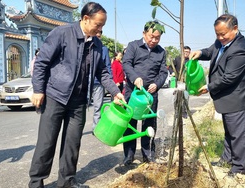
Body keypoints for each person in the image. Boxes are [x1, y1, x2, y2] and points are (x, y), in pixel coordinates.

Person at [29, 2, 125, 188]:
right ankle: (36, 182)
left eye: (102, 25)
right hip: (55, 96)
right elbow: (41, 62)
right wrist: (39, 90)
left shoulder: (97, 44)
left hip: (79, 100)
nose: (100, 29)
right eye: (98, 24)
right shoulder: (62, 34)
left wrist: (115, 92)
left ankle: (67, 181)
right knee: (47, 142)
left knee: (72, 143)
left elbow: (103, 72)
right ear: (86, 19)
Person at [190, 14, 245, 180]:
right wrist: (199, 53)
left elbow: (229, 77)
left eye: (224, 34)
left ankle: (240, 170)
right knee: (230, 132)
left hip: (240, 99)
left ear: (235, 29)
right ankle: (227, 159)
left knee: (239, 136)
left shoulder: (240, 50)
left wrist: (208, 87)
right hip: (230, 99)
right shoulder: (222, 42)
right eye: (217, 34)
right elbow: (211, 51)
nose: (220, 37)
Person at [122, 20, 168, 166]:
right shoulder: (133, 46)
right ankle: (129, 155)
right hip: (133, 92)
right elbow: (126, 64)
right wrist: (135, 78)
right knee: (130, 123)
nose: (153, 40)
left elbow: (163, 72)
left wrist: (157, 84)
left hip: (150, 94)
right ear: (144, 33)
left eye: (157, 38)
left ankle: (148, 154)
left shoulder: (161, 52)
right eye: (151, 36)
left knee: (149, 124)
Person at [91, 30, 112, 132]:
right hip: (86, 82)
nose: (97, 38)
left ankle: (96, 128)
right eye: (96, 35)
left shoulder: (104, 49)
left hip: (98, 82)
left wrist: (110, 82)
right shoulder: (87, 46)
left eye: (99, 36)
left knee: (98, 106)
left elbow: (107, 66)